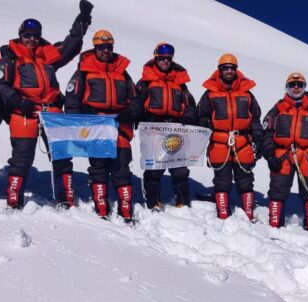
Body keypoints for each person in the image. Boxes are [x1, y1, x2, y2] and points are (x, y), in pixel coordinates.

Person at [0, 0, 93, 209]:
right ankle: (14, 199)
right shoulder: (11, 58)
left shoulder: (48, 56)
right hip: (24, 114)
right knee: (21, 159)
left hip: (52, 111)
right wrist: (18, 100)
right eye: (27, 35)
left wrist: (82, 19)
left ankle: (66, 199)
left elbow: (71, 44)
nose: (31, 39)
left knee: (62, 157)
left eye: (35, 35)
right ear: (21, 36)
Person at [64, 30, 141, 223]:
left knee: (122, 168)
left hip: (119, 127)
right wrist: (82, 120)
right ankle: (102, 208)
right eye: (102, 47)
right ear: (95, 48)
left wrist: (129, 113)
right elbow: (72, 100)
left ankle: (126, 211)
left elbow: (136, 98)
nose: (106, 51)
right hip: (95, 127)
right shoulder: (84, 70)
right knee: (99, 168)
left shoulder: (122, 71)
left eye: (109, 47)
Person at [261, 72, 308, 231]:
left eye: (299, 85)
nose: (295, 88)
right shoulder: (278, 108)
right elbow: (266, 132)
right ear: (286, 88)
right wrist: (269, 155)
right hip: (282, 156)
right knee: (277, 191)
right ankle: (274, 226)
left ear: (304, 87)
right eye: (292, 85)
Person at [197, 53, 263, 221]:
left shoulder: (247, 93)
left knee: (245, 179)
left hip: (243, 142)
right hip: (219, 142)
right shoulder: (210, 93)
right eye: (225, 68)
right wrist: (205, 125)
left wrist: (258, 137)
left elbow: (254, 118)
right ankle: (223, 213)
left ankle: (248, 212)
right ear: (219, 70)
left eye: (232, 68)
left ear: (236, 70)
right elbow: (202, 114)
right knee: (222, 180)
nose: (228, 71)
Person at [135, 42, 198, 211]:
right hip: (154, 129)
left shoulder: (180, 83)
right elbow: (136, 102)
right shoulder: (145, 81)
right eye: (162, 58)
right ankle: (152, 202)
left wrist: (190, 115)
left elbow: (190, 103)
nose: (165, 61)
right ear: (156, 58)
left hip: (176, 130)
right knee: (154, 168)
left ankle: (182, 203)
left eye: (168, 59)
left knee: (179, 169)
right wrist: (139, 116)